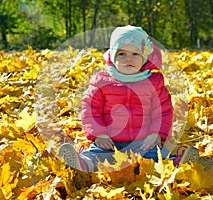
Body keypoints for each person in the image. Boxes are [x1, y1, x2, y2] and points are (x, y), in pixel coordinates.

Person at [58, 25, 199, 172]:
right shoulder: (101, 81)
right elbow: (90, 108)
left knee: (156, 156)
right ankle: (81, 164)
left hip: (143, 142)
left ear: (144, 56)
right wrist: (99, 134)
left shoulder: (154, 82)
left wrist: (156, 134)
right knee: (97, 155)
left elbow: (163, 111)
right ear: (113, 56)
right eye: (122, 54)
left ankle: (177, 163)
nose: (129, 59)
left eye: (135, 54)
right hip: (110, 142)